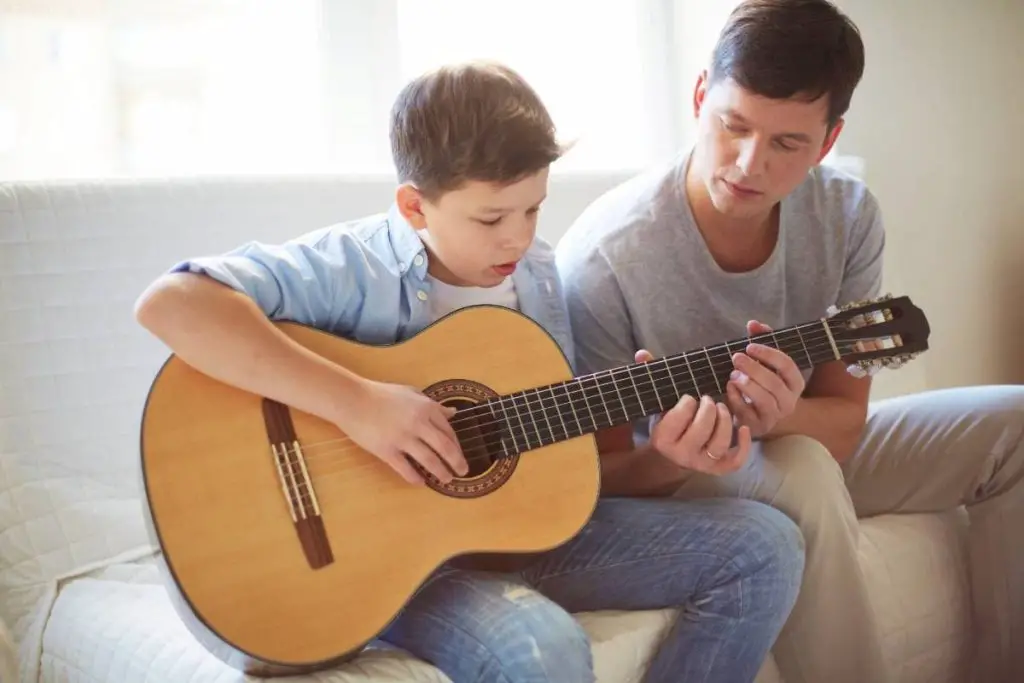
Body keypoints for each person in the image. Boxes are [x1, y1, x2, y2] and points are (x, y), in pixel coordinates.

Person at [134, 61, 805, 683]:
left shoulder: (539, 280)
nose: (518, 238)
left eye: (534, 208)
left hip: (496, 542)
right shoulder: (353, 266)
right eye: (491, 217)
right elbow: (171, 303)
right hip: (379, 564)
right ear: (414, 206)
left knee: (767, 545)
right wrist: (360, 405)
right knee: (541, 647)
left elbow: (556, 480)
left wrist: (666, 460)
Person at [554, 1, 1024, 682]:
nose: (749, 164)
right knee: (799, 465)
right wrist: (669, 455)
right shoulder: (605, 258)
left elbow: (844, 419)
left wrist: (782, 416)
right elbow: (598, 482)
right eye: (732, 125)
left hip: (799, 439)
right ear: (698, 97)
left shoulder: (846, 213)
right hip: (682, 478)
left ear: (827, 143)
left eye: (786, 144)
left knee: (1015, 423)